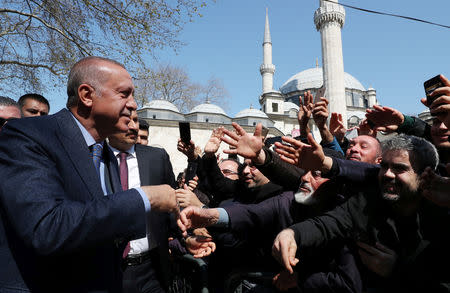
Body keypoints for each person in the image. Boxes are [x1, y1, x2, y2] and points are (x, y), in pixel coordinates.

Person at [0, 56, 179, 293]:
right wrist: (145, 198)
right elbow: (47, 228)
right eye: (124, 94)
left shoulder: (103, 151)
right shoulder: (27, 136)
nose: (134, 104)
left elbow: (102, 223)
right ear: (86, 95)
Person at [273, 134, 450, 292]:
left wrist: (397, 270)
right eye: (384, 166)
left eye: (399, 168)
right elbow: (328, 223)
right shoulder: (368, 201)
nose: (387, 174)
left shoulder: (442, 214)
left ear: (425, 175)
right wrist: (292, 234)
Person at [108, 110, 177, 293]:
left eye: (136, 120)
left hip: (152, 269)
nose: (133, 126)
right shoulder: (94, 158)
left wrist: (186, 236)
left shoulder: (157, 157)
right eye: (126, 120)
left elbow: (172, 205)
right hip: (109, 271)